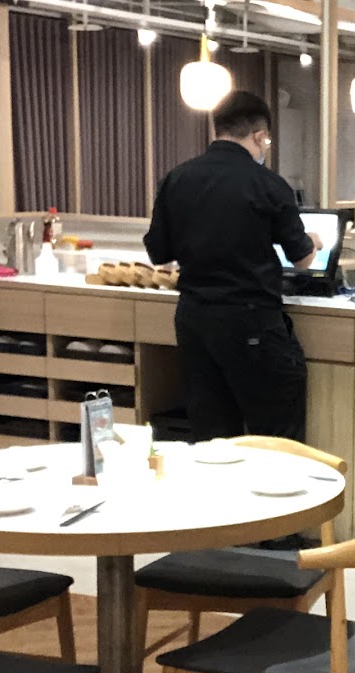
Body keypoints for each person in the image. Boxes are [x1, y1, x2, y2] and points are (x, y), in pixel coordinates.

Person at [144, 90, 322, 444]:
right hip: (250, 322)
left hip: (194, 321)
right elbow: (302, 258)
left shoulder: (177, 179)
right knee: (275, 437)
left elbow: (158, 254)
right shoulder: (268, 184)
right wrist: (314, 241)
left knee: (212, 439)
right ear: (259, 136)